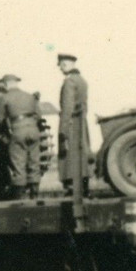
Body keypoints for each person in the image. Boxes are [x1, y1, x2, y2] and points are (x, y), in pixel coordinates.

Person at [0, 74, 43, 199]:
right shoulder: (29, 96)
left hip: (17, 130)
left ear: (5, 85)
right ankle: (35, 195)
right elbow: (39, 115)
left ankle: (19, 197)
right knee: (34, 162)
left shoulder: (5, 98)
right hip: (33, 129)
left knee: (18, 163)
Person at [56, 53, 91, 195]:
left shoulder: (69, 82)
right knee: (82, 154)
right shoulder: (82, 80)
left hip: (71, 123)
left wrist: (62, 130)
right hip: (81, 121)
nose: (60, 68)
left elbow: (67, 107)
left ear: (66, 64)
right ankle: (84, 188)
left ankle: (71, 189)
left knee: (68, 155)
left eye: (61, 65)